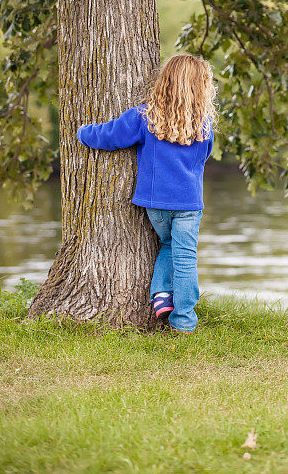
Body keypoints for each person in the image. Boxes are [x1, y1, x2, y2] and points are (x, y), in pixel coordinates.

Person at [77, 53, 216, 333]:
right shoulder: (204, 126)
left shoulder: (145, 117)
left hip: (156, 205)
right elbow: (204, 158)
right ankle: (184, 319)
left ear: (165, 82)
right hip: (189, 203)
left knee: (167, 245)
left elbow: (109, 136)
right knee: (185, 256)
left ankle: (162, 297)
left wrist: (82, 133)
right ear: (201, 88)